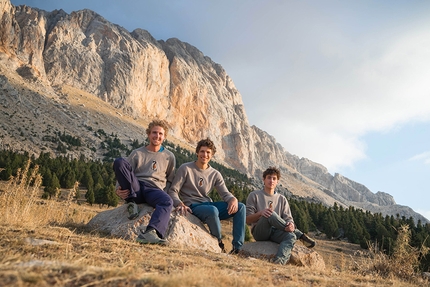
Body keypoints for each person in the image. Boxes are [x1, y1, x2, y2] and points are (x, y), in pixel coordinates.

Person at [168, 138, 246, 254]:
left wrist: (233, 199)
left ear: (212, 155)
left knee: (241, 207)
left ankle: (237, 249)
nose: (205, 155)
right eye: (202, 151)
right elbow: (173, 190)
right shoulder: (186, 168)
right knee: (213, 210)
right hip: (193, 206)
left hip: (209, 204)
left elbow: (225, 194)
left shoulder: (215, 174)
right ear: (197, 152)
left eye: (208, 152)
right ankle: (218, 242)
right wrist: (179, 203)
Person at [113, 119, 175, 245]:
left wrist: (165, 193)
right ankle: (131, 202)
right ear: (148, 134)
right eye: (154, 132)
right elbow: (126, 173)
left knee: (167, 201)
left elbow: (170, 179)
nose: (157, 136)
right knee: (119, 162)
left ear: (165, 137)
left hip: (155, 190)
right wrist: (118, 188)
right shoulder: (137, 153)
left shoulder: (169, 156)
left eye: (160, 134)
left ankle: (150, 232)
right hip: (136, 188)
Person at [246, 166, 316, 265]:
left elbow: (288, 219)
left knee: (291, 236)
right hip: (260, 232)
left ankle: (279, 263)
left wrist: (291, 225)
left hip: (277, 232)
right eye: (269, 178)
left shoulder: (282, 199)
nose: (271, 180)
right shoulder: (254, 195)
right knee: (269, 213)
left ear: (277, 181)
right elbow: (247, 220)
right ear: (264, 179)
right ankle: (299, 234)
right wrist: (260, 213)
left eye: (274, 178)